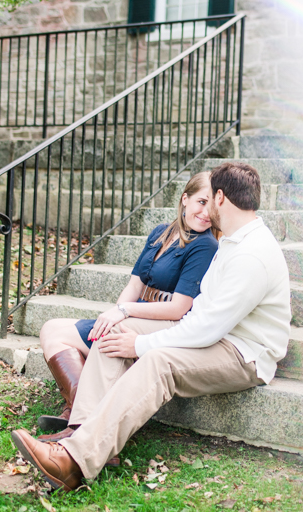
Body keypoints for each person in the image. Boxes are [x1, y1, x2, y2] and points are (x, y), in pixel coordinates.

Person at [10, 161, 291, 491]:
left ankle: (73, 462)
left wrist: (140, 345)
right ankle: (80, 432)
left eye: (207, 199)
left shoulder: (251, 255)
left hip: (245, 354)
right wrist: (130, 328)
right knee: (114, 333)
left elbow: (206, 330)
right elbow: (202, 316)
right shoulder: (233, 240)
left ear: (219, 198)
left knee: (159, 361)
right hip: (215, 334)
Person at [35, 171, 219, 434]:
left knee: (67, 337)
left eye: (213, 205)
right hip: (134, 314)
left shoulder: (205, 245)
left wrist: (124, 312)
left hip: (158, 323)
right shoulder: (160, 233)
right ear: (185, 200)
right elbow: (135, 284)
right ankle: (79, 408)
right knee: (50, 328)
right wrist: (115, 313)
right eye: (202, 202)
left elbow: (179, 307)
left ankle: (81, 422)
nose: (206, 212)